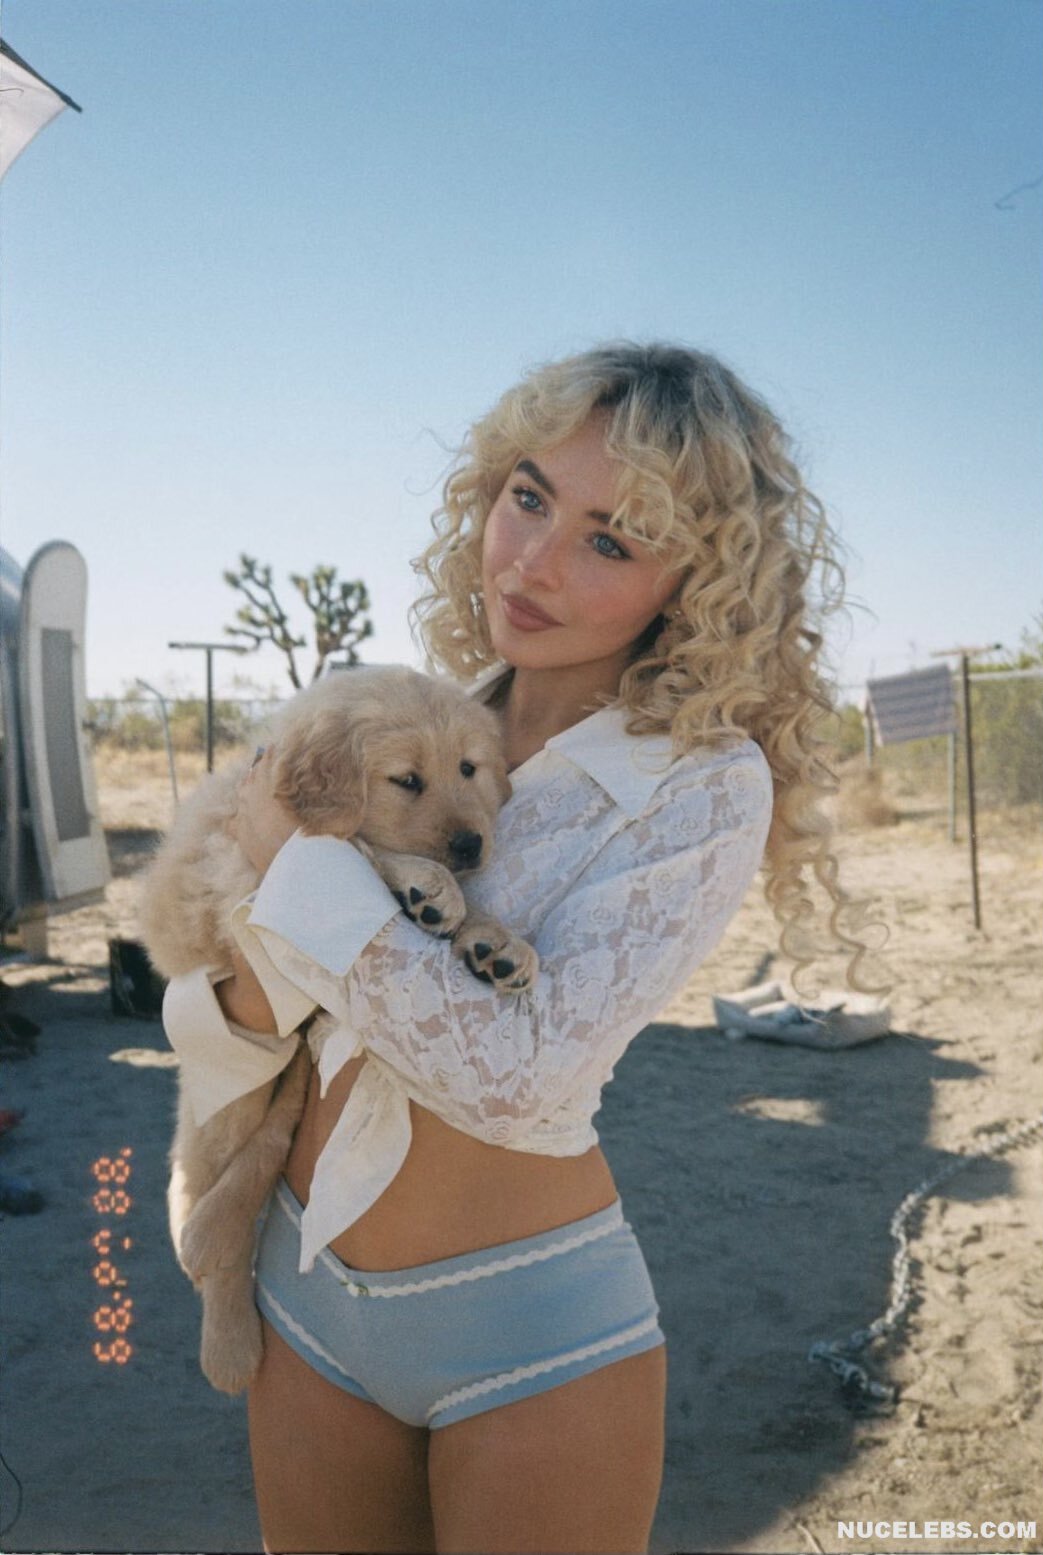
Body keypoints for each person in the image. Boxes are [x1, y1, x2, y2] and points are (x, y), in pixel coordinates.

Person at [163, 341, 863, 1554]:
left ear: (692, 584)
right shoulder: (415, 719)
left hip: (524, 1325)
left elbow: (516, 1078)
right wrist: (257, 970)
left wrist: (296, 869)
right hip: (300, 1285)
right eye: (528, 496)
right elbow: (222, 1010)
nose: (531, 560)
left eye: (611, 540)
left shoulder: (697, 785)